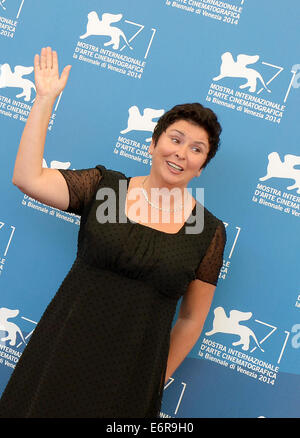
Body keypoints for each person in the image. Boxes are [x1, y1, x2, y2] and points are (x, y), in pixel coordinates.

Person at [0, 47, 226, 418]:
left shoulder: (206, 228)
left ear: (202, 167)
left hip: (130, 384)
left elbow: (192, 319)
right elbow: (27, 177)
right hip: (60, 356)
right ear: (154, 143)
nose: (182, 153)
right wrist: (43, 100)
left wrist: (153, 379)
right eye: (176, 138)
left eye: (197, 149)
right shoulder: (107, 189)